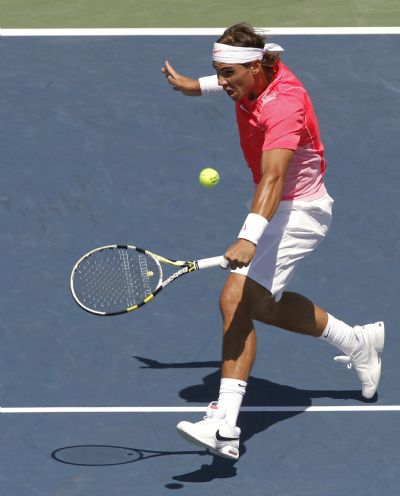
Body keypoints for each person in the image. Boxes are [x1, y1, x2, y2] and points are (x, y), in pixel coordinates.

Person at [161, 23, 384, 461]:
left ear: (254, 68)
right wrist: (197, 85)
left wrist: (248, 237)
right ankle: (355, 341)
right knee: (260, 303)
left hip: (299, 210)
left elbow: (275, 178)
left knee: (235, 299)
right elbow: (233, 76)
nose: (222, 82)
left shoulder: (283, 106)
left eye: (227, 75)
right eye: (216, 72)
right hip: (278, 204)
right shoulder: (257, 72)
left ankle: (225, 425)